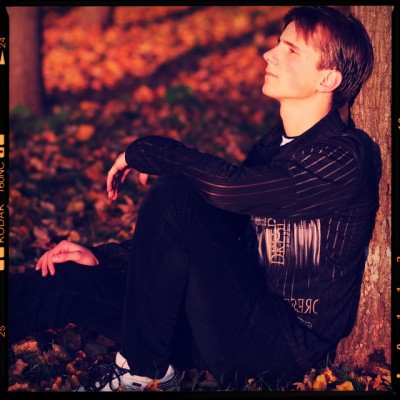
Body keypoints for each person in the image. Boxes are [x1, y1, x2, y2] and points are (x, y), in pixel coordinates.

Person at [9, 5, 381, 392]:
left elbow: (227, 191)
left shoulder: (345, 157)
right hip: (223, 314)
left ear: (327, 78)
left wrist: (153, 152)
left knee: (177, 195)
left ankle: (143, 372)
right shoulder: (273, 146)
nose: (269, 54)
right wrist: (104, 257)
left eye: (291, 50)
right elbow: (214, 231)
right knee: (65, 279)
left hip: (277, 347)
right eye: (278, 43)